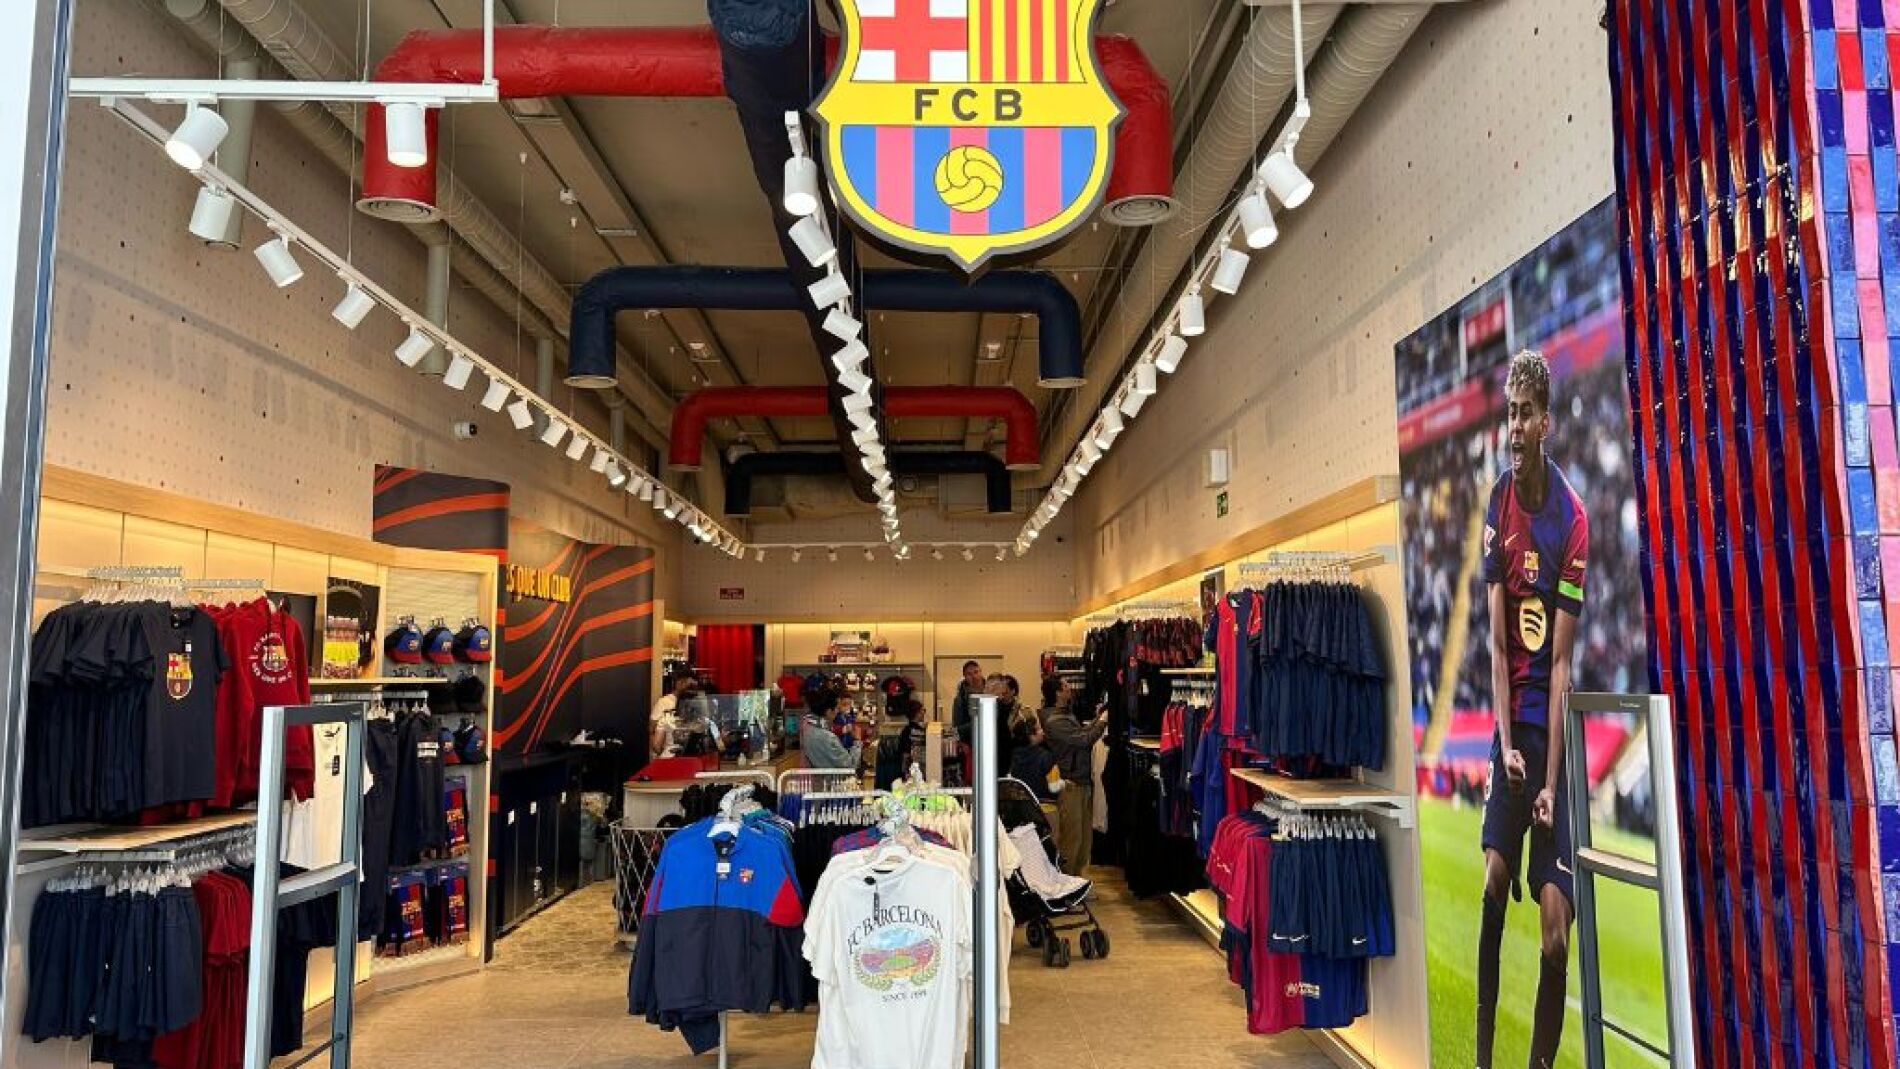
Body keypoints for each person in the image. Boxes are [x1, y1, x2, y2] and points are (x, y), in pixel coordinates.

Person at [1475, 350, 1586, 1069]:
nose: (1513, 427)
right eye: (1508, 413)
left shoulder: (1572, 519)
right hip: (1511, 728)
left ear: (1546, 422)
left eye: (1525, 415)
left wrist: (1547, 782)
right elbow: (1495, 646)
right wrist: (1505, 745)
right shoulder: (1497, 505)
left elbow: (1563, 664)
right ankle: (1482, 1060)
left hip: (1555, 741)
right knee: (1491, 879)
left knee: (1554, 933)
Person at [1039, 675, 1107, 875]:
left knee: (1084, 838)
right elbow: (1083, 740)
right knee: (1072, 838)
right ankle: (1067, 882)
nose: (1070, 687)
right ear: (1057, 693)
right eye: (1065, 685)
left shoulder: (1064, 714)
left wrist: (1097, 719)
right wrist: (1102, 722)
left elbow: (1081, 734)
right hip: (1070, 784)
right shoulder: (1055, 720)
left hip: (1081, 781)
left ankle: (1077, 880)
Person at [799, 684, 862, 771]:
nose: (838, 711)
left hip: (814, 776)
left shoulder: (806, 725)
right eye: (837, 708)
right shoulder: (826, 737)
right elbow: (850, 766)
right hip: (829, 778)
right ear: (829, 711)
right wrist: (857, 741)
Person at [1007, 713, 1061, 802]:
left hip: (1022, 803)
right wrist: (1064, 784)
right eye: (1039, 728)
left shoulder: (1014, 755)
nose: (1042, 731)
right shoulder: (1046, 757)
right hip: (1043, 804)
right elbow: (1054, 788)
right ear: (1031, 736)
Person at [648, 673, 697, 760]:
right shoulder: (663, 703)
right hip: (675, 759)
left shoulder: (666, 720)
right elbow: (651, 729)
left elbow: (657, 747)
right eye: (689, 685)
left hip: (677, 759)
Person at [950, 660, 985, 744]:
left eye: (976, 672)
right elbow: (957, 728)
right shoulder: (960, 699)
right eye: (969, 674)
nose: (974, 676)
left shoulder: (991, 692)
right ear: (965, 677)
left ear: (981, 672)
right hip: (969, 744)